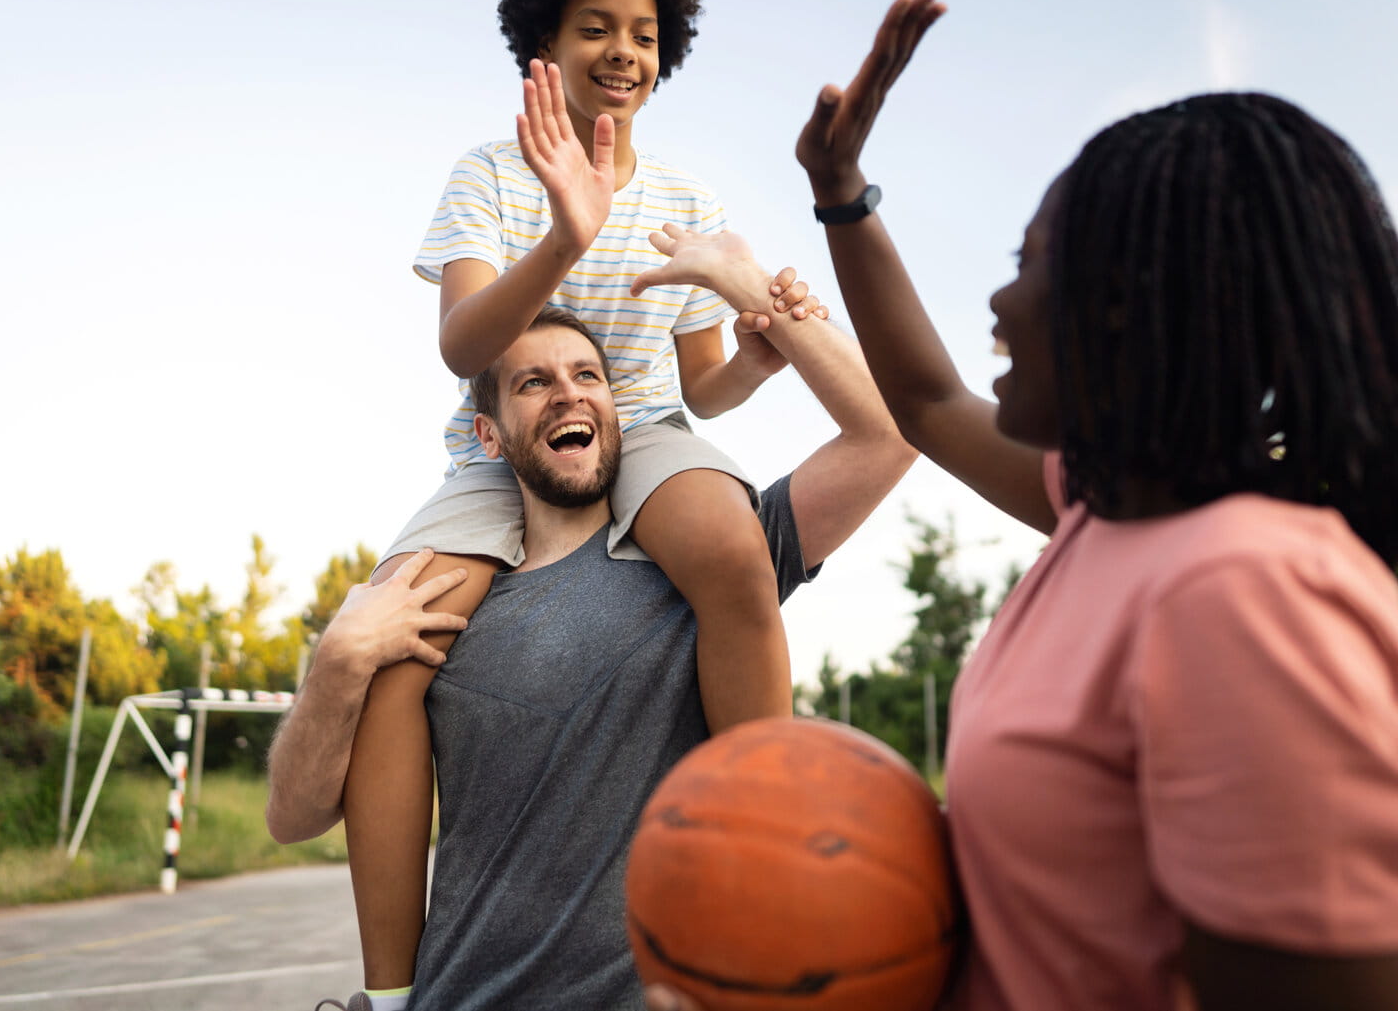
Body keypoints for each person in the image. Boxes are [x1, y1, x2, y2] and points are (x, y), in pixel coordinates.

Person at [647, 0, 1398, 1011]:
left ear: (1129, 303)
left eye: (1024, 265)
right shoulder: (1107, 511)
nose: (997, 304)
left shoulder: (1243, 593)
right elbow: (928, 402)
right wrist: (839, 191)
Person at [335, 0, 824, 1003]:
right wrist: (566, 229)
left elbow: (701, 385)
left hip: (642, 425)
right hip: (501, 443)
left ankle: (769, 875)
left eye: (643, 34)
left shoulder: (686, 199)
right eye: (594, 27)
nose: (622, 52)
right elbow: (464, 344)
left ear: (667, 52)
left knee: (738, 563)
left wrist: (752, 360)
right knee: (393, 655)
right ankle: (386, 990)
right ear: (542, 45)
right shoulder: (488, 176)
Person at [269, 268, 916, 1008]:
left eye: (587, 376)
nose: (568, 392)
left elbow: (888, 434)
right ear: (489, 434)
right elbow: (291, 818)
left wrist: (745, 285)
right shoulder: (432, 610)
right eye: (532, 384)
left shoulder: (713, 561)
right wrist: (336, 662)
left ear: (616, 407)